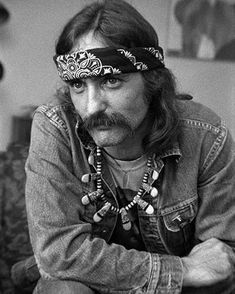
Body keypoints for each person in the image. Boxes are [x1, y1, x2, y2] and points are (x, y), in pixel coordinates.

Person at [24, 0, 235, 293]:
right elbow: (57, 254)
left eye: (111, 81)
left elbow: (219, 262)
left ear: (152, 81)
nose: (92, 106)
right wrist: (181, 270)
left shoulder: (205, 136)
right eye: (78, 86)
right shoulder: (55, 126)